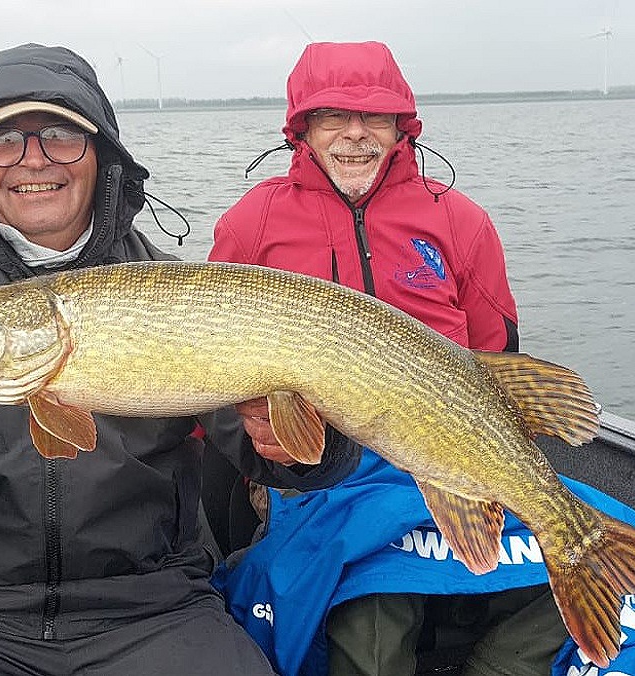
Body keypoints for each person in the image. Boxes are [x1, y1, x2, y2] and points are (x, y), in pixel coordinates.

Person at [0, 43, 360, 676]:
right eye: (1, 141)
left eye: (60, 136)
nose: (33, 160)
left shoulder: (171, 288)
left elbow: (286, 462)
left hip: (154, 608)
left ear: (101, 155)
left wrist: (305, 446)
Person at [208, 41, 568, 676]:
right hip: (317, 465)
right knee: (373, 605)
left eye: (374, 118)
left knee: (596, 570)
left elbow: (495, 355)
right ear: (301, 127)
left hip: (448, 446)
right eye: (332, 117)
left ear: (403, 127)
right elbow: (213, 360)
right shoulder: (251, 223)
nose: (355, 135)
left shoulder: (459, 221)